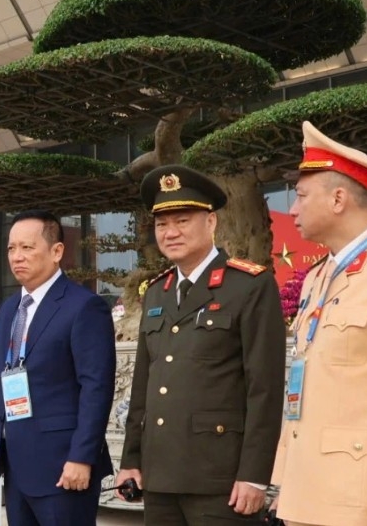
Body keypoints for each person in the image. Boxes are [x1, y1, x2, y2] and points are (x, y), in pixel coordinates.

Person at [113, 165, 286, 524]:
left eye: (182, 220)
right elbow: (142, 386)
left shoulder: (249, 286)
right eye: (162, 224)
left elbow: (264, 389)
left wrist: (254, 474)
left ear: (210, 222)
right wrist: (131, 460)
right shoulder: (157, 292)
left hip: (220, 479)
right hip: (159, 477)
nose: (171, 232)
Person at [270, 121, 367, 526]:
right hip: (307, 495)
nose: (293, 210)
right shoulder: (318, 277)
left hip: (356, 502)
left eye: (301, 196)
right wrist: (284, 482)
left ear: (338, 199)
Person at [0, 210, 116, 525]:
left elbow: (96, 387)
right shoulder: (9, 308)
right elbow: (0, 378)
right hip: (16, 466)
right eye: (11, 248)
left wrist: (82, 456)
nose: (17, 257)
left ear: (56, 252)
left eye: (27, 247)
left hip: (63, 467)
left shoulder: (83, 306)